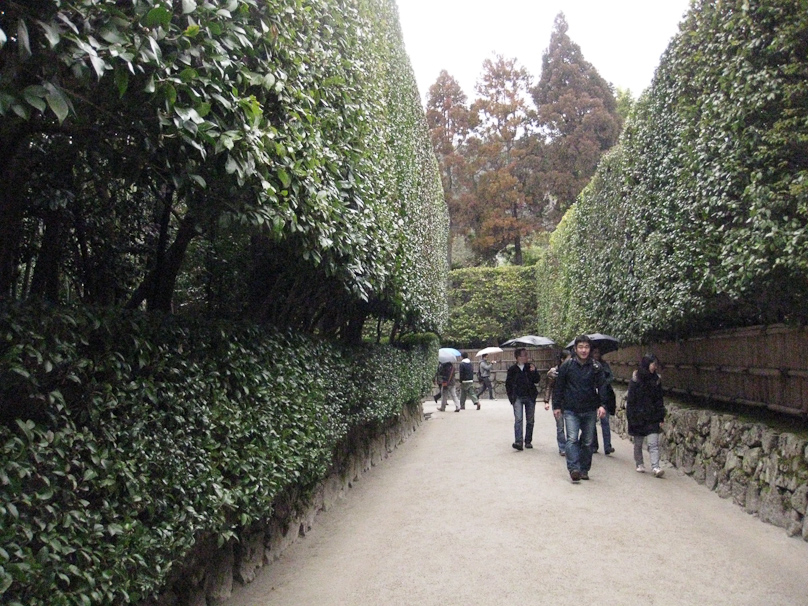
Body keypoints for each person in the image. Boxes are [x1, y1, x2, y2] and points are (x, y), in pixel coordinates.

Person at [552, 335, 608, 483]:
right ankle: (573, 469)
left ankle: (584, 469)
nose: (584, 350)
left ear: (590, 349)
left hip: (590, 409)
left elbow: (602, 387)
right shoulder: (567, 366)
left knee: (588, 442)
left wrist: (603, 405)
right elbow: (559, 387)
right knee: (572, 439)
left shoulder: (596, 367)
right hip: (571, 409)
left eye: (586, 347)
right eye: (581, 347)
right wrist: (556, 406)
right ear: (575, 349)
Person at [626, 354, 667, 477]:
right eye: (653, 364)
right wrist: (631, 416)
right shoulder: (635, 380)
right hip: (638, 416)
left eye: (656, 364)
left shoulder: (656, 380)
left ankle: (656, 467)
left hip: (652, 416)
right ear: (647, 364)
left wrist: (661, 416)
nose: (655, 367)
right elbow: (631, 400)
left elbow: (659, 399)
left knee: (653, 444)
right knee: (638, 443)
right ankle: (639, 463)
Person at [505, 348, 542, 450]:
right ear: (517, 357)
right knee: (518, 419)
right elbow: (508, 384)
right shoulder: (512, 369)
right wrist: (511, 398)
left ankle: (528, 441)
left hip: (530, 396)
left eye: (526, 355)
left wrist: (534, 371)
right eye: (524, 355)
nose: (526, 357)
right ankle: (518, 441)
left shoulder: (530, 367)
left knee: (530, 420)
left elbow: (537, 380)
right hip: (517, 397)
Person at [544, 349, 571, 456]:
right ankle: (562, 447)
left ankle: (570, 447)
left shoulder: (572, 370)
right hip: (558, 402)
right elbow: (548, 387)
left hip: (570, 401)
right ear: (562, 359)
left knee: (570, 427)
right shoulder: (554, 372)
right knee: (560, 427)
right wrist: (546, 401)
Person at [591, 346, 616, 455]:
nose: (596, 354)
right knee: (592, 422)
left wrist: (603, 382)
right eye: (594, 352)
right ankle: (594, 445)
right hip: (592, 395)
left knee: (605, 421)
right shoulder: (588, 365)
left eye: (598, 352)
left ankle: (607, 446)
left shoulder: (604, 365)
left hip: (604, 394)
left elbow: (611, 377)